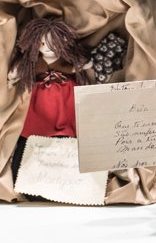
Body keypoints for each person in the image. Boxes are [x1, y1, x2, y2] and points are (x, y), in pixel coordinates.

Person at [7, 17, 93, 177]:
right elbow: (19, 70)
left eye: (54, 43)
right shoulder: (34, 62)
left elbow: (79, 66)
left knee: (69, 122)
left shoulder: (66, 60)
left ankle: (67, 150)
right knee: (39, 123)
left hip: (66, 96)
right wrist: (14, 75)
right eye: (42, 43)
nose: (47, 48)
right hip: (41, 97)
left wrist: (85, 65)